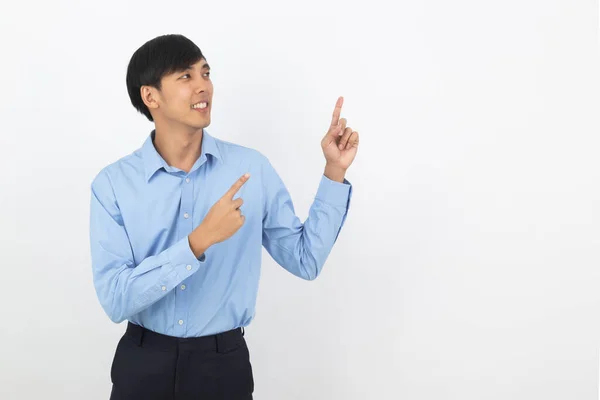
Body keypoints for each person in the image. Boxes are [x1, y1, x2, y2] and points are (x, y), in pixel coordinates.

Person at [89, 33, 359, 400]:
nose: (203, 86)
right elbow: (116, 300)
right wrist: (198, 242)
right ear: (150, 96)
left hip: (222, 367)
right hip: (142, 364)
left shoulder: (251, 169)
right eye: (186, 76)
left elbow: (305, 260)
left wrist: (334, 173)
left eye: (205, 73)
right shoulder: (113, 184)